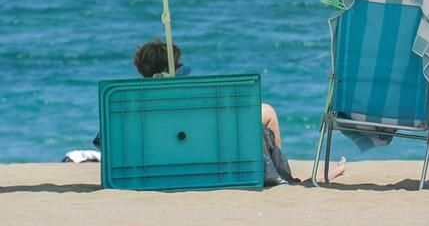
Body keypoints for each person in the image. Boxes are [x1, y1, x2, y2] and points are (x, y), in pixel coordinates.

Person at [131, 39, 344, 182]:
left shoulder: (130, 104)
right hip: (205, 164)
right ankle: (285, 178)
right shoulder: (186, 97)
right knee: (267, 111)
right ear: (175, 68)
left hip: (157, 167)